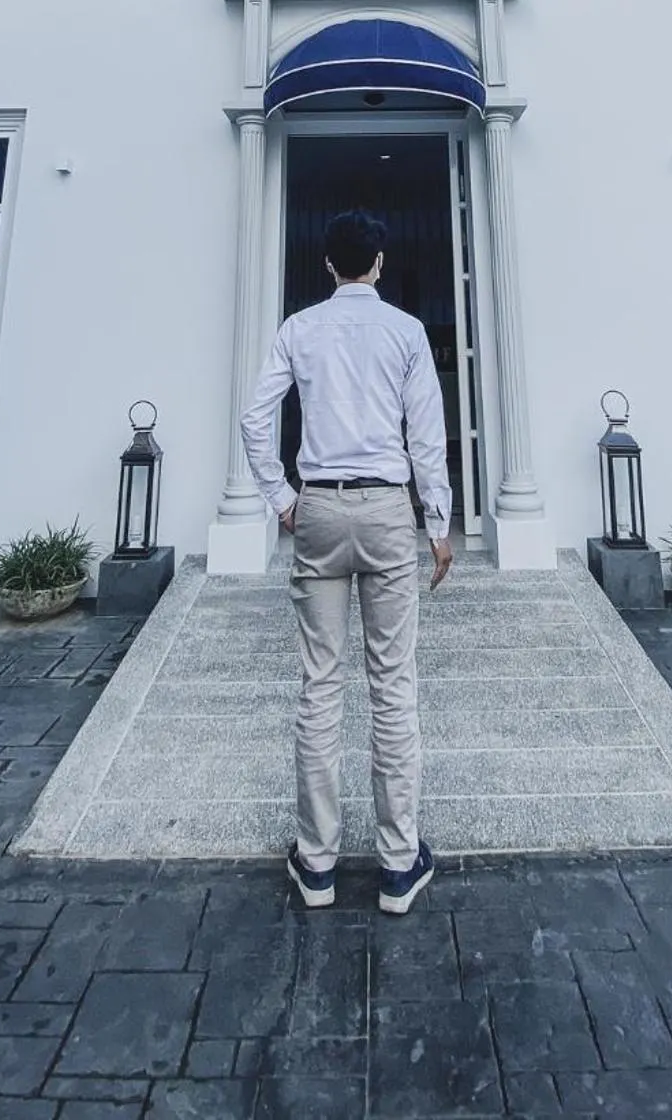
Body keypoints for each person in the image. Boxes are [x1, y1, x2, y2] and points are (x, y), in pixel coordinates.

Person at [239, 207, 453, 915]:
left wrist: (280, 498)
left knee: (320, 684)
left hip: (320, 510)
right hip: (389, 510)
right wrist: (440, 523)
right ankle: (398, 865)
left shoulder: (299, 329)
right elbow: (427, 433)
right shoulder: (406, 332)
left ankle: (318, 863)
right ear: (379, 263)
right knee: (393, 684)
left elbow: (254, 416)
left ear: (329, 264)